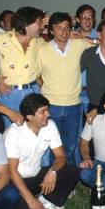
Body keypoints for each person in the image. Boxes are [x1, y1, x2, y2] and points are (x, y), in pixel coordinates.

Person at [5, 94, 80, 209]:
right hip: (16, 183)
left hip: (36, 177)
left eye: (47, 110)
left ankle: (47, 200)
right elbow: (12, 171)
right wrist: (30, 200)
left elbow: (61, 157)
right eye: (42, 112)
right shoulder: (14, 133)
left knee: (73, 170)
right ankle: (14, 206)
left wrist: (52, 171)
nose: (48, 114)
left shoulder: (50, 126)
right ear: (29, 116)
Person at [37, 12, 95, 166]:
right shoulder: (42, 50)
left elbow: (102, 45)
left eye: (67, 28)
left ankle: (67, 182)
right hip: (51, 106)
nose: (64, 32)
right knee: (52, 147)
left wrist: (83, 38)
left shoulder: (79, 44)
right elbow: (35, 74)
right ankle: (51, 179)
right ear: (51, 30)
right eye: (59, 28)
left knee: (70, 146)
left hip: (73, 105)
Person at [0, 6, 45, 128]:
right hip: (9, 93)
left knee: (35, 130)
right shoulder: (0, 40)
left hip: (33, 92)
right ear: (27, 23)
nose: (42, 26)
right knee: (12, 132)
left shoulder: (40, 42)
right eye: (39, 22)